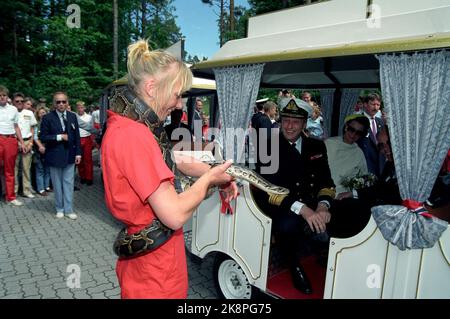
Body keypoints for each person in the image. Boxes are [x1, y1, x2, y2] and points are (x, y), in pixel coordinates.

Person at [101, 39, 238, 299]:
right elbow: (174, 214)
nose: (178, 105)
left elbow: (170, 159)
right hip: (154, 277)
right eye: (176, 94)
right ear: (152, 88)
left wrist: (217, 174)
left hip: (153, 263)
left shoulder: (130, 129)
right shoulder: (134, 136)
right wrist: (209, 179)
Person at [253, 97, 336, 294]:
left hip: (311, 203)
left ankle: (331, 255)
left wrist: (323, 206)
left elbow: (326, 182)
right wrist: (305, 210)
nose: (289, 126)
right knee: (288, 225)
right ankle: (294, 265)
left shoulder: (316, 146)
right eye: (286, 120)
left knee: (341, 212)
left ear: (304, 123)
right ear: (280, 120)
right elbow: (270, 188)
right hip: (280, 204)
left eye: (296, 121)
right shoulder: (267, 146)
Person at [40, 92, 81, 220]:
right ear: (54, 104)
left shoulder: (72, 116)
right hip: (54, 155)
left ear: (67, 103)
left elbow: (77, 137)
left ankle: (69, 210)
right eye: (58, 102)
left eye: (63, 101)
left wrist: (78, 153)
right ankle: (59, 208)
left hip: (70, 154)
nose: (61, 104)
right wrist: (59, 137)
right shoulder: (47, 118)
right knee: (57, 185)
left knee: (68, 183)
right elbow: (43, 137)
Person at [325, 114, 369, 195]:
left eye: (358, 133)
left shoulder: (359, 153)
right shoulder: (329, 143)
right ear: (346, 127)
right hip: (323, 193)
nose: (353, 135)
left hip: (343, 198)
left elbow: (364, 179)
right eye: (351, 129)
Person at [0, 85, 26, 206]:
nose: (2, 97)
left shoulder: (13, 109)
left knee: (9, 170)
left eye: (4, 95)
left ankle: (10, 197)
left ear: (7, 97)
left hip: (10, 140)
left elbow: (16, 127)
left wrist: (21, 141)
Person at [13, 92, 38, 199]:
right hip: (14, 142)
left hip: (27, 142)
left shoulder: (29, 113)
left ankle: (26, 190)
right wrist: (18, 142)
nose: (19, 103)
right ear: (13, 102)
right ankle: (13, 191)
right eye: (17, 101)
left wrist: (31, 143)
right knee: (14, 168)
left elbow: (33, 128)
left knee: (26, 168)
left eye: (21, 101)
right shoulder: (11, 113)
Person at [357, 93, 385, 178]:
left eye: (378, 105)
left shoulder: (380, 122)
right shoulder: (358, 121)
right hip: (365, 165)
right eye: (373, 104)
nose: (376, 108)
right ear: (365, 104)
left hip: (381, 165)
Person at [33, 106, 52, 196]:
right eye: (41, 113)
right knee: (40, 169)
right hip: (39, 149)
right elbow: (35, 137)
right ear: (38, 114)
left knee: (48, 169)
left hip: (49, 148)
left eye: (44, 113)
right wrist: (40, 146)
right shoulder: (36, 124)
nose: (43, 114)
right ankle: (40, 188)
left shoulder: (50, 123)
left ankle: (47, 186)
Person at [76, 101, 94, 185]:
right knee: (80, 160)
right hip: (78, 139)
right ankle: (82, 176)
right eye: (78, 108)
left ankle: (89, 178)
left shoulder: (89, 117)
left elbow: (92, 128)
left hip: (87, 139)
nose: (80, 109)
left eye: (81, 107)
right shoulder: (74, 117)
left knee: (88, 159)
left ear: (84, 108)